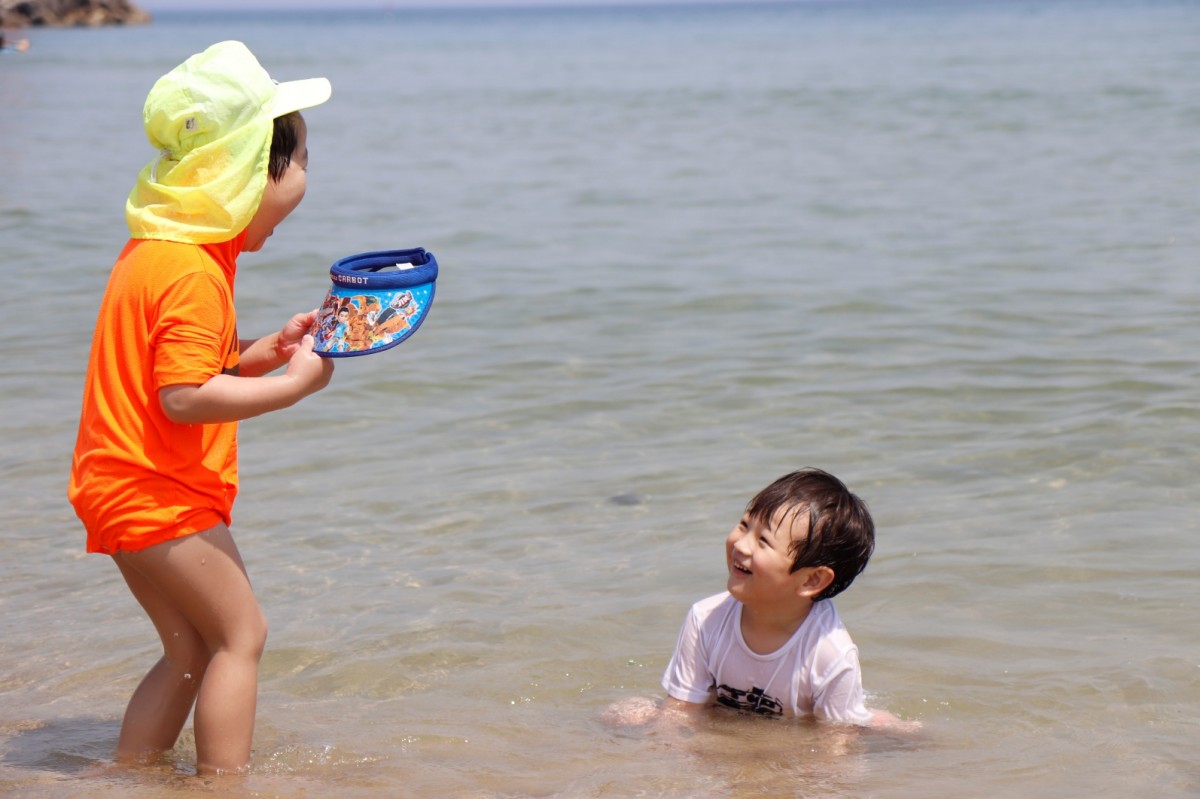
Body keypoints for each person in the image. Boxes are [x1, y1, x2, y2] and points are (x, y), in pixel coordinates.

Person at [67, 41, 335, 774]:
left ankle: (130, 773)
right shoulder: (194, 274)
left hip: (114, 485)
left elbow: (183, 363)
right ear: (245, 171)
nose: (306, 176)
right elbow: (184, 396)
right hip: (156, 490)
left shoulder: (157, 250)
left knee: (188, 648)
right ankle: (223, 785)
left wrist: (266, 351)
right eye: (301, 159)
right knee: (240, 638)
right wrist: (296, 385)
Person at [656, 468, 914, 728]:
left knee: (866, 727)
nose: (741, 545)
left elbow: (835, 741)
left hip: (806, 721)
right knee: (636, 712)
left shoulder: (830, 653)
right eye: (744, 525)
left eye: (763, 541)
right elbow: (681, 710)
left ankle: (896, 726)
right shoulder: (705, 618)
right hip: (729, 712)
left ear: (812, 580)